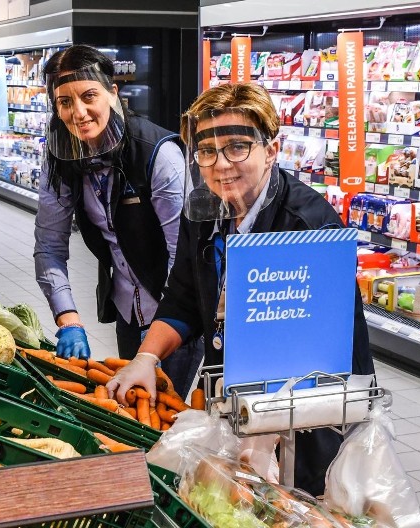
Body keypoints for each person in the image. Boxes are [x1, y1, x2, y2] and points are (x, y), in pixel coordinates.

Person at [106, 82, 374, 496]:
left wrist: (263, 440)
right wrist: (145, 357)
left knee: (294, 508)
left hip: (305, 423)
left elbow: (319, 353)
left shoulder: (307, 227)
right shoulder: (205, 208)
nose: (220, 165)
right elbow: (184, 296)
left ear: (271, 149)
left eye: (237, 147)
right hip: (238, 405)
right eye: (206, 150)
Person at [34, 45, 201, 397]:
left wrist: (158, 334)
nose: (78, 112)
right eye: (64, 102)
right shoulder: (60, 158)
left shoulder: (158, 155)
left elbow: (181, 257)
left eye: (89, 96)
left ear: (112, 93)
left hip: (176, 318)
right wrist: (68, 320)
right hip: (128, 310)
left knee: (171, 413)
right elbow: (49, 247)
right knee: (135, 407)